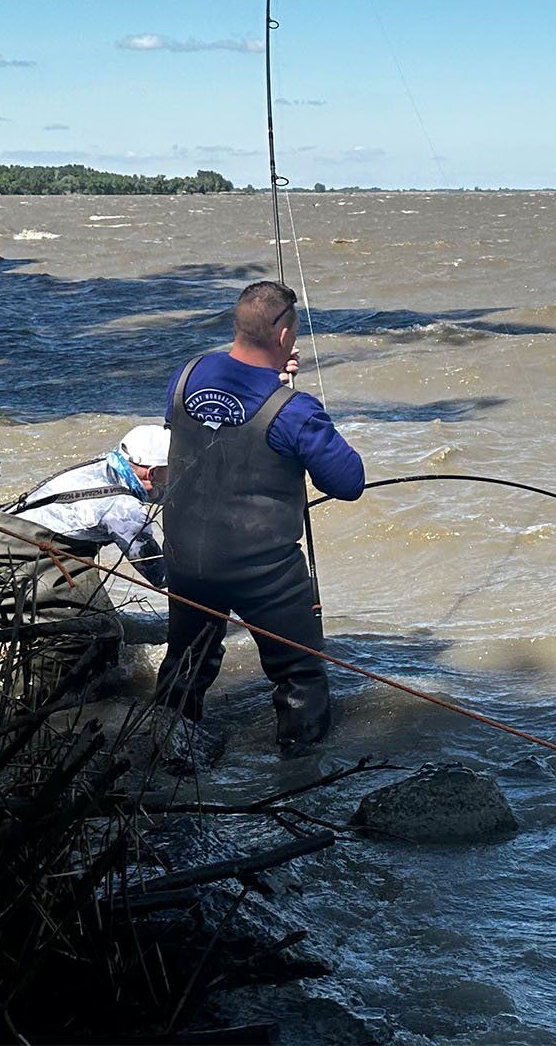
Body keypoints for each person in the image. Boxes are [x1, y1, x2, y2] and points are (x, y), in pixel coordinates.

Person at [155, 280, 363, 759]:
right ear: (286, 338)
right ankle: (302, 775)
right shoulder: (294, 412)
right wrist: (288, 400)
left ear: (238, 326)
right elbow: (348, 482)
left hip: (186, 558)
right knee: (300, 675)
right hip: (262, 572)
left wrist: (273, 387)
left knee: (187, 663)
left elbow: (208, 431)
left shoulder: (187, 376)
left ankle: (167, 754)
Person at [0, 424, 169, 694]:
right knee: (101, 632)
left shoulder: (105, 466)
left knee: (95, 622)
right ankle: (36, 703)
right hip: (14, 559)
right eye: (173, 471)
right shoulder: (123, 506)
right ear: (152, 473)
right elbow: (158, 574)